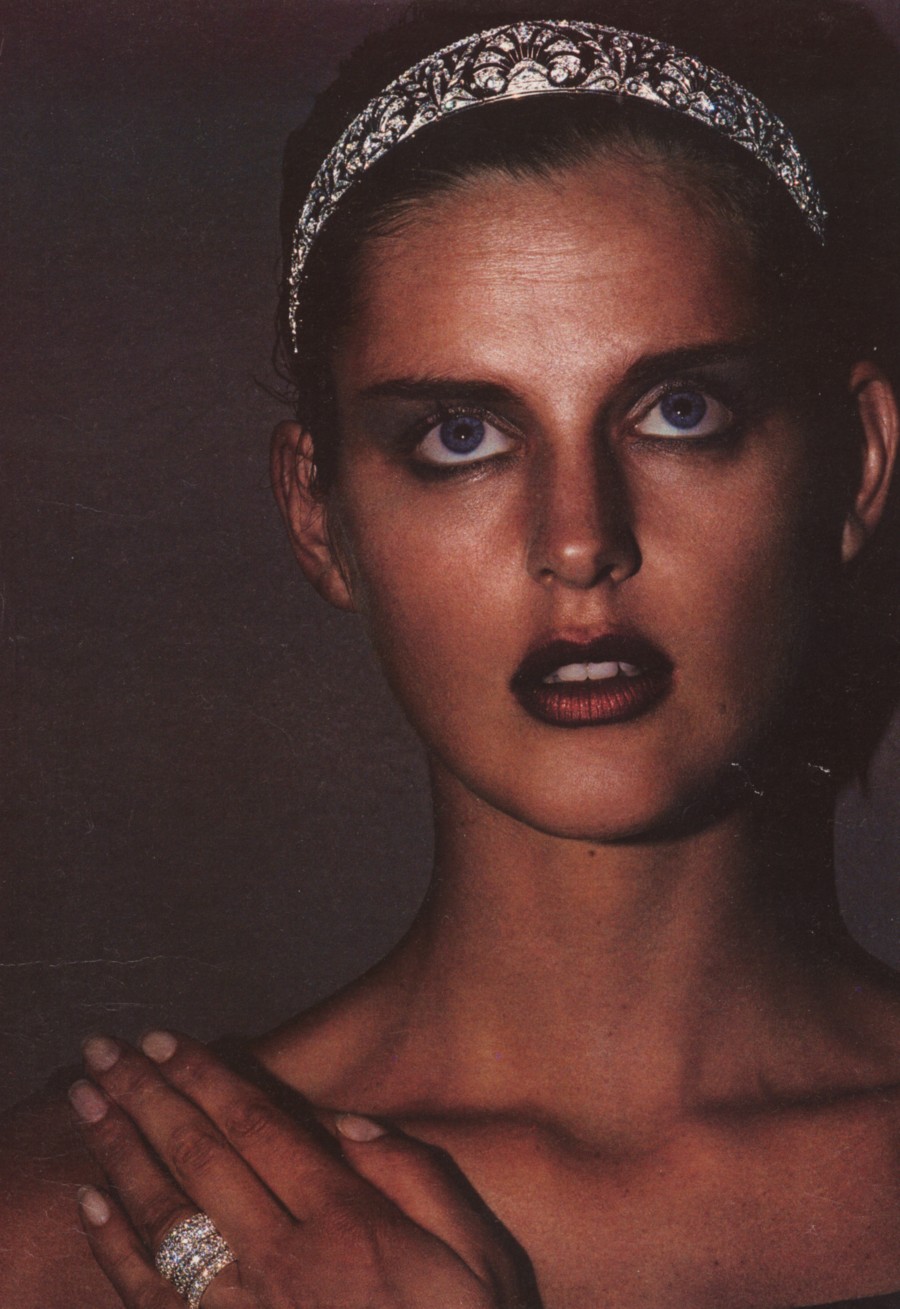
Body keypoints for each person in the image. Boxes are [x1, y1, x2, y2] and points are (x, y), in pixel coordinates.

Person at [2, 0, 900, 1304]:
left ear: (858, 462)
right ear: (318, 512)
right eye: (461, 437)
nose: (579, 541)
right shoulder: (72, 1235)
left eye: (680, 410)